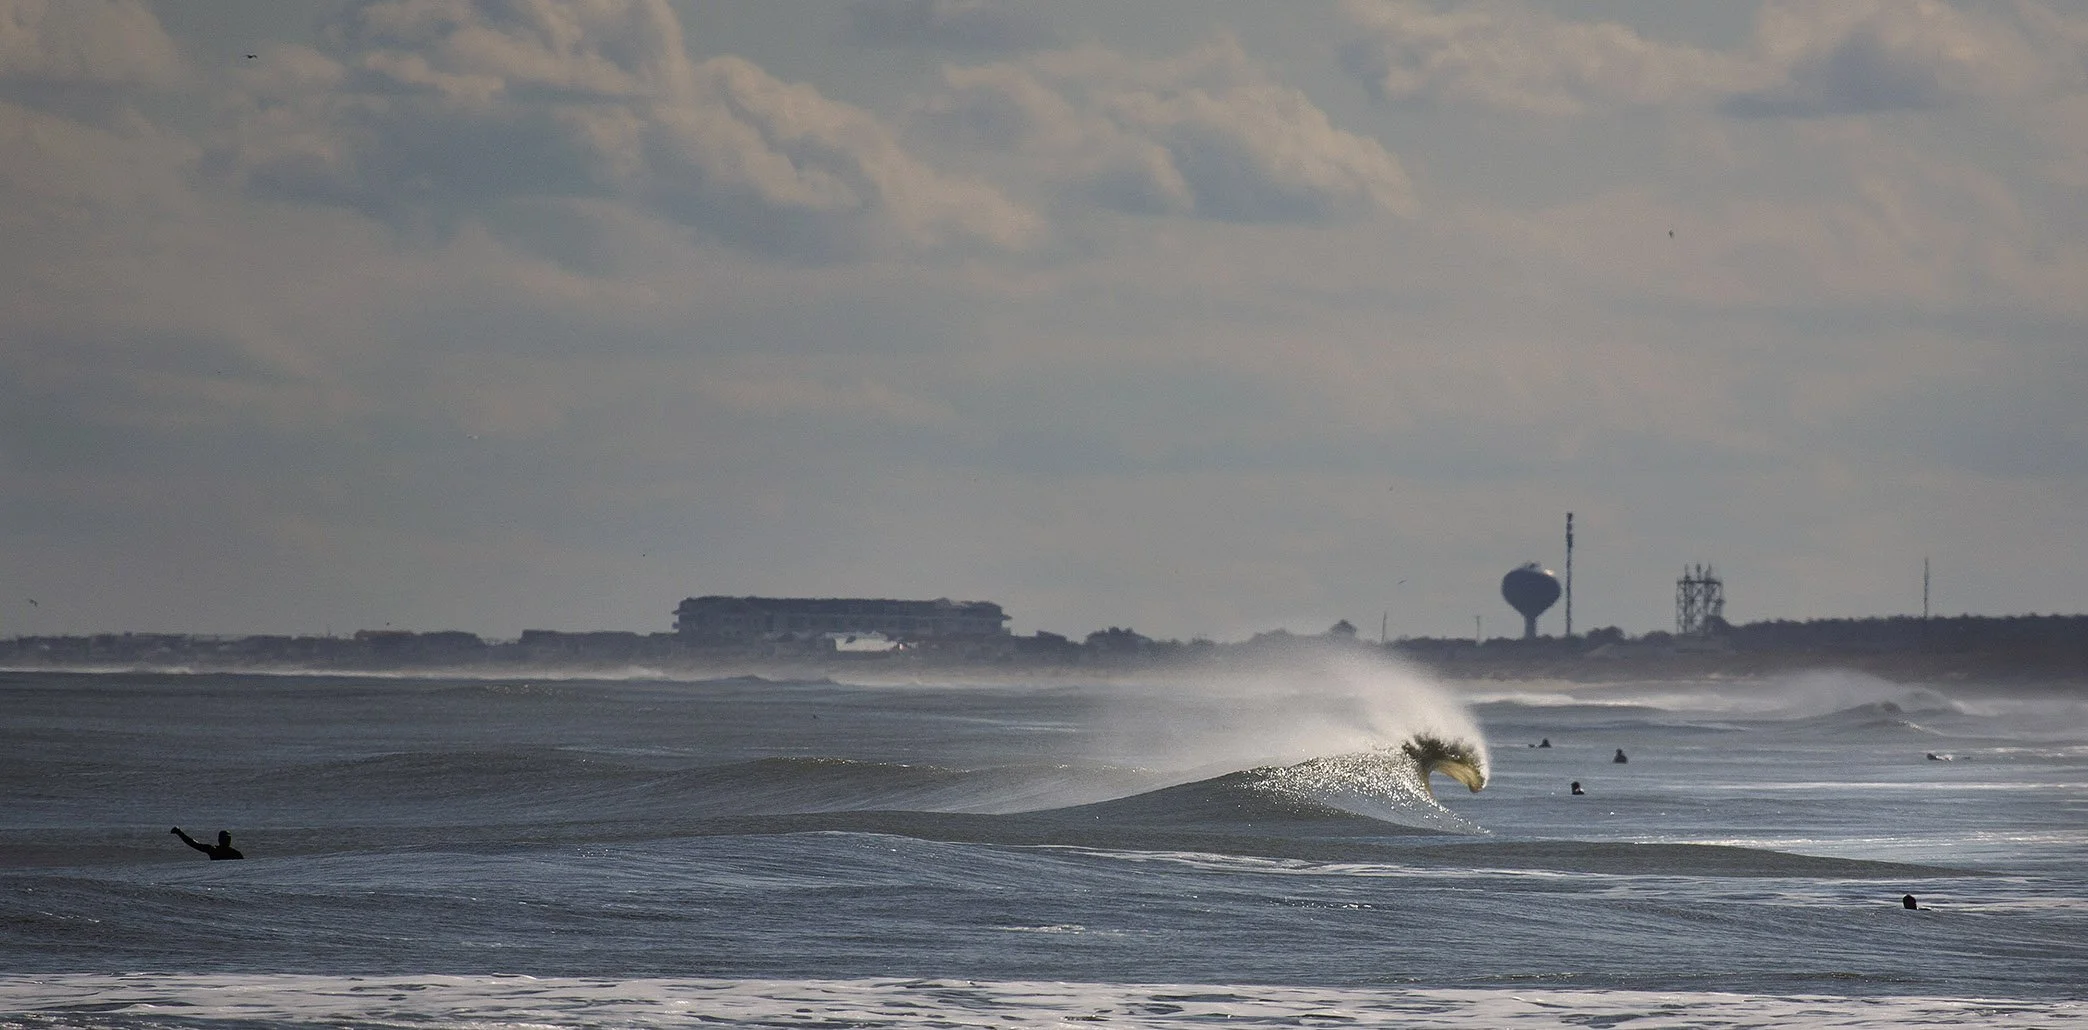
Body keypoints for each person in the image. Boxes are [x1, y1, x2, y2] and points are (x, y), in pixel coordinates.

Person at [171, 827, 244, 860]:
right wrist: (180, 833)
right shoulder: (213, 850)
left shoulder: (236, 854)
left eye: (228, 839)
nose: (227, 841)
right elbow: (194, 844)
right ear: (219, 839)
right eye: (225, 839)